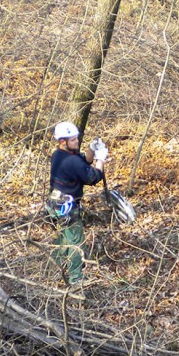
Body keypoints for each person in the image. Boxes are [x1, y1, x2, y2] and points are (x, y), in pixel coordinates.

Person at [46, 121, 106, 288]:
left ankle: (56, 269)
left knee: (63, 238)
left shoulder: (59, 155)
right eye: (73, 140)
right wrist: (100, 159)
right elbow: (93, 177)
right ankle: (76, 279)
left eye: (77, 139)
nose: (77, 142)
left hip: (54, 204)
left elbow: (82, 160)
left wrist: (92, 150)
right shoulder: (71, 162)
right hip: (67, 209)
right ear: (63, 142)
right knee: (75, 243)